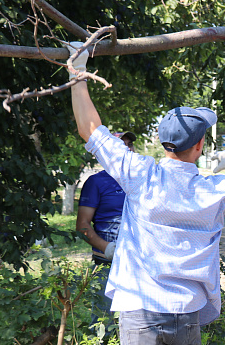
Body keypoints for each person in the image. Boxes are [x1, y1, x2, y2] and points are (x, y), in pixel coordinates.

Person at [65, 41, 225, 345]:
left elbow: (90, 129)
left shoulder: (138, 174)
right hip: (185, 311)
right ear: (200, 146)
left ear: (162, 141)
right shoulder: (216, 190)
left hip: (139, 309)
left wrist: (77, 72)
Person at [76, 130, 136, 334]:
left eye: (130, 144)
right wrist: (108, 248)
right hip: (107, 264)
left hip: (140, 264)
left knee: (138, 320)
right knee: (103, 321)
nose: (127, 149)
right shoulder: (96, 182)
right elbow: (82, 226)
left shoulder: (141, 179)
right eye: (122, 145)